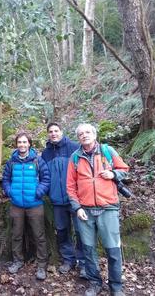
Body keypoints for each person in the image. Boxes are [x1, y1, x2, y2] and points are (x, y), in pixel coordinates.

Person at [67, 123, 129, 296]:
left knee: (113, 250)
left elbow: (124, 169)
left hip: (108, 208)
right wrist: (77, 207)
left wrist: (114, 174)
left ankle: (116, 287)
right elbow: (70, 186)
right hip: (85, 211)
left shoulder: (107, 151)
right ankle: (94, 283)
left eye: (87, 132)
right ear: (78, 138)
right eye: (80, 134)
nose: (84, 135)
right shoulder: (75, 158)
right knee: (88, 250)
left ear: (94, 134)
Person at [2, 132, 50, 280]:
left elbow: (46, 178)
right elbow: (5, 179)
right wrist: (10, 192)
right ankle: (17, 261)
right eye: (19, 142)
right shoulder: (12, 162)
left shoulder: (37, 160)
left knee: (39, 235)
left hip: (34, 204)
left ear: (29, 144)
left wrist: (39, 192)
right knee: (16, 235)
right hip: (16, 204)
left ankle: (42, 265)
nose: (22, 145)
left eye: (24, 142)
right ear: (16, 144)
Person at [41, 122, 86, 278]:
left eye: (56, 131)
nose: (53, 133)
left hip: (76, 199)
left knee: (81, 231)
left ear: (62, 131)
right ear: (48, 134)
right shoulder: (46, 153)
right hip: (57, 200)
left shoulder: (74, 147)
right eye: (50, 131)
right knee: (62, 231)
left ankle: (83, 262)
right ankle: (68, 260)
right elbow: (44, 176)